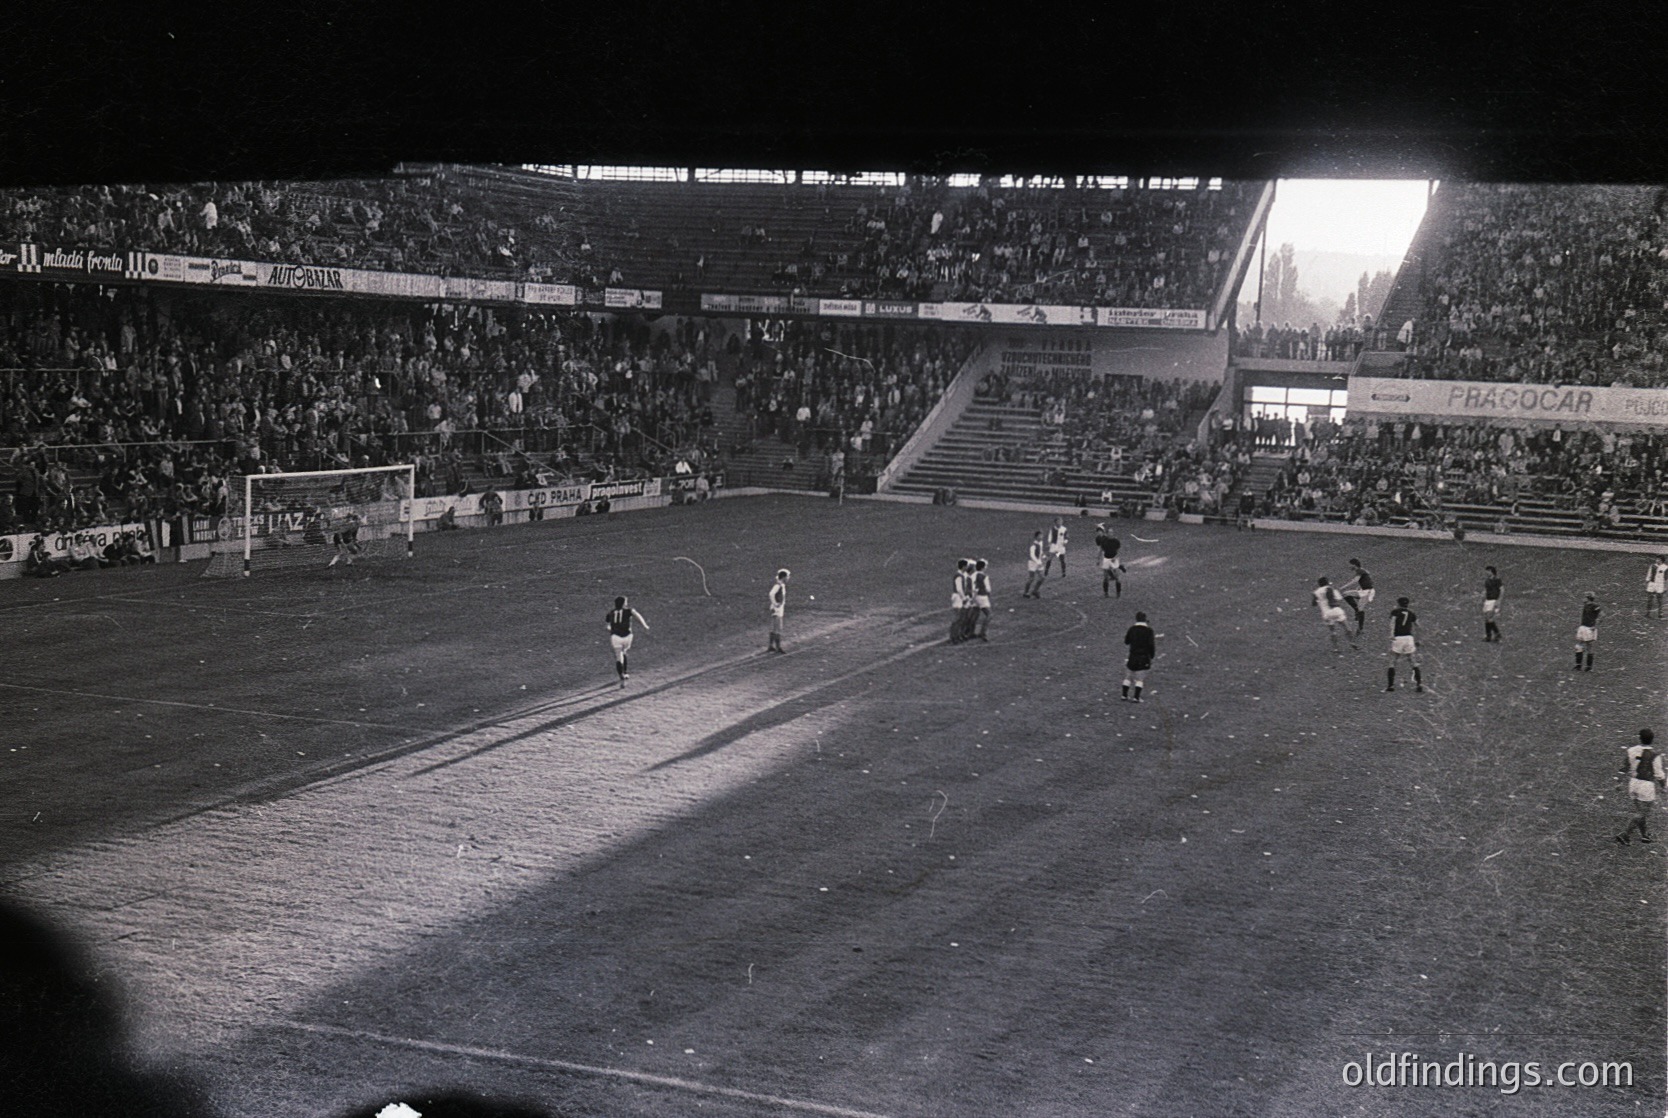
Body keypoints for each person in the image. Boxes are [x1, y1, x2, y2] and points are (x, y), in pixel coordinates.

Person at [1617, 728, 1665, 845]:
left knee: (1640, 811)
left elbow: (1625, 767)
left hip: (1633, 784)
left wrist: (1619, 781)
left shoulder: (1631, 751)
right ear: (1652, 740)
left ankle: (1645, 836)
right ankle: (1625, 835)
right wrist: (1664, 786)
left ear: (1640, 738)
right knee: (1642, 813)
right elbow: (1659, 774)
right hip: (1646, 786)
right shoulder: (1655, 755)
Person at [605, 595, 650, 688]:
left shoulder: (611, 612)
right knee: (624, 652)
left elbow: (607, 626)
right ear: (624, 603)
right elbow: (638, 616)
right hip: (627, 636)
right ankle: (625, 672)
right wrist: (645, 625)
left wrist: (611, 629)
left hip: (615, 637)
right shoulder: (629, 610)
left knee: (618, 656)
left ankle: (621, 675)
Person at [1385, 596, 1424, 693]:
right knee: (1412, 661)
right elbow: (1418, 626)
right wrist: (1418, 639)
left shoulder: (1395, 612)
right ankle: (1419, 684)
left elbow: (1392, 623)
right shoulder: (1411, 613)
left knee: (1393, 661)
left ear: (1398, 604)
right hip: (1409, 638)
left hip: (1398, 637)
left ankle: (1391, 685)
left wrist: (1391, 634)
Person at [1312, 576, 1357, 653]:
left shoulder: (1316, 592)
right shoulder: (1331, 589)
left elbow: (1314, 603)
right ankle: (1352, 642)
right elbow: (1338, 599)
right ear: (1327, 582)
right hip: (1336, 610)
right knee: (1347, 627)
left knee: (1332, 631)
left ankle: (1336, 648)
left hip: (1326, 613)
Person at [1122, 611, 1155, 702]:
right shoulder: (1149, 631)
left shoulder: (1132, 629)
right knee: (1140, 678)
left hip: (1132, 655)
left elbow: (1126, 641)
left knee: (1128, 676)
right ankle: (1136, 697)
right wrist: (1151, 656)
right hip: (1144, 656)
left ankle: (1124, 695)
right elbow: (1151, 645)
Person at [1340, 557, 1374, 634]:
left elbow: (1355, 581)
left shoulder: (1360, 571)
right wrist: (1361, 586)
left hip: (1368, 592)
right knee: (1346, 594)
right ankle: (1356, 611)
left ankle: (1360, 629)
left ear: (1354, 565)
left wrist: (1343, 587)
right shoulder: (1361, 570)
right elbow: (1368, 580)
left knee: (1361, 609)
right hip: (1363, 591)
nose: (1349, 567)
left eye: (1350, 565)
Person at [1094, 522, 1123, 598]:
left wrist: (1115, 557)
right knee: (1105, 577)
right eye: (1110, 532)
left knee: (1117, 577)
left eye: (1112, 532)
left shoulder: (1116, 541)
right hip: (1106, 559)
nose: (1111, 534)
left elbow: (1119, 551)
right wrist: (1098, 559)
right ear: (1107, 533)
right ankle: (1106, 592)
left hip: (1114, 559)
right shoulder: (1104, 541)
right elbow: (1101, 550)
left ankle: (1118, 592)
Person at [1575, 592, 1601, 671]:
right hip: (1583, 627)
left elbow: (1602, 615)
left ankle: (1589, 667)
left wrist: (1595, 626)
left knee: (1589, 646)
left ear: (1588, 598)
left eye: (1585, 597)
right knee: (1578, 646)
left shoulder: (1594, 606)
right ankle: (1578, 665)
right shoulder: (1586, 605)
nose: (1583, 598)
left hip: (1589, 628)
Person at [767, 568, 790, 653]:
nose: (788, 578)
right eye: (787, 577)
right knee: (778, 628)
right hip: (777, 609)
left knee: (774, 628)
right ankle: (778, 647)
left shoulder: (781, 585)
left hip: (777, 608)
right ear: (783, 577)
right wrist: (775, 603)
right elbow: (771, 594)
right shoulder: (778, 586)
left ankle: (771, 646)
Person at [971, 558, 993, 642]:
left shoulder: (973, 575)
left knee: (975, 614)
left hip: (974, 596)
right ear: (983, 567)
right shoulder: (984, 576)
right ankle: (983, 633)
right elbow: (988, 589)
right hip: (982, 596)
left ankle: (970, 631)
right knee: (989, 615)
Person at [949, 559, 969, 644]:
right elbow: (959, 589)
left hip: (958, 597)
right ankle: (954, 636)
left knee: (960, 617)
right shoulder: (959, 576)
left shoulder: (961, 575)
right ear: (964, 566)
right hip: (958, 597)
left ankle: (957, 635)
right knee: (957, 618)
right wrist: (964, 598)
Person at [1482, 565, 1504, 642]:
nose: (1486, 573)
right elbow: (1485, 590)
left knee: (1489, 618)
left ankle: (1497, 634)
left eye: (1488, 571)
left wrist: (1498, 600)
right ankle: (1489, 635)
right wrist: (1483, 598)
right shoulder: (1487, 580)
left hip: (1493, 600)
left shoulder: (1497, 580)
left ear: (1491, 571)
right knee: (1486, 619)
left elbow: (1502, 590)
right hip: (1488, 600)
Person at [1022, 530, 1046, 598]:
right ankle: (1025, 592)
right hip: (1032, 563)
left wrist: (1043, 556)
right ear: (1036, 537)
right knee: (1031, 579)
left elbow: (1040, 551)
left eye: (1042, 535)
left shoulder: (1041, 543)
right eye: (1040, 535)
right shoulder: (1033, 545)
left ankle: (1035, 591)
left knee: (1042, 578)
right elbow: (1032, 555)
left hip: (1038, 562)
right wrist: (1037, 562)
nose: (1041, 537)